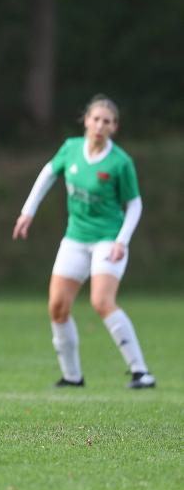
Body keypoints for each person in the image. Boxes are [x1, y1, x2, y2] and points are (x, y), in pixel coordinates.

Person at [13, 94, 155, 389]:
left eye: (107, 121)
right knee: (57, 307)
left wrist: (122, 241)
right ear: (86, 121)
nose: (100, 125)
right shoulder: (71, 149)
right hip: (75, 238)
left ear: (114, 127)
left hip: (107, 239)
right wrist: (28, 212)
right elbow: (47, 175)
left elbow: (135, 204)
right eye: (96, 119)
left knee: (101, 302)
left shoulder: (120, 162)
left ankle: (141, 372)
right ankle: (72, 376)